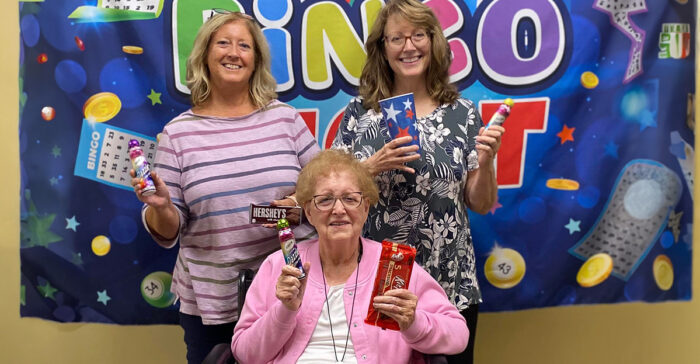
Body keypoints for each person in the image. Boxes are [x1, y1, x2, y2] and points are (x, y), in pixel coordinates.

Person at [130, 12, 319, 364]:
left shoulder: (285, 119)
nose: (234, 52)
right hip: (214, 301)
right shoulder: (178, 133)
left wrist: (296, 202)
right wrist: (160, 207)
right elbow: (169, 230)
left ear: (256, 60)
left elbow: (323, 188)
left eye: (244, 45)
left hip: (290, 287)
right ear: (205, 55)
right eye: (223, 43)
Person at [331, 1, 505, 362]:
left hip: (448, 282)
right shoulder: (359, 114)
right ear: (382, 48)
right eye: (397, 38)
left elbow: (481, 203)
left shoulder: (463, 113)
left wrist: (485, 163)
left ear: (434, 42)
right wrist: (370, 167)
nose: (409, 47)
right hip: (379, 283)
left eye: (418, 35)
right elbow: (328, 194)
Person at [231, 150, 468, 363]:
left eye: (350, 199)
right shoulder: (279, 265)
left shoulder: (394, 265)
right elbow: (245, 353)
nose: (338, 210)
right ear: (309, 212)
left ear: (365, 208)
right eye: (324, 200)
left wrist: (413, 323)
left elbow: (458, 336)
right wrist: (285, 309)